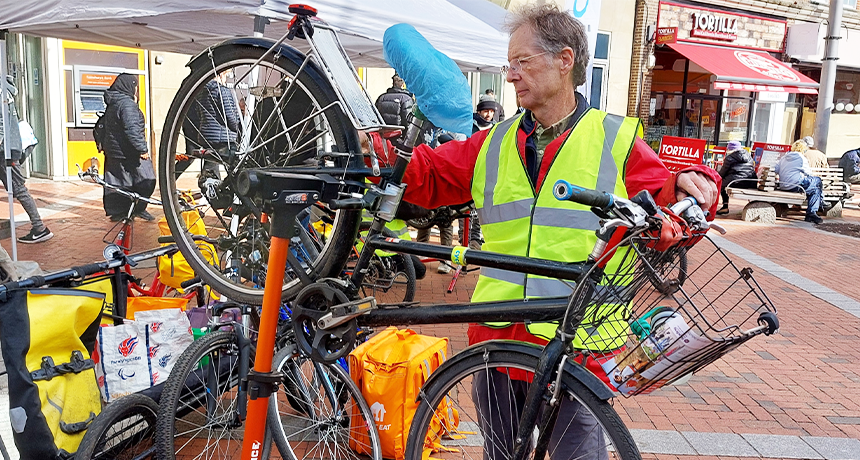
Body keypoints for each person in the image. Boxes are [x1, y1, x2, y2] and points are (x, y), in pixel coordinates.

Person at [364, 5, 718, 458]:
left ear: (564, 60)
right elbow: (431, 177)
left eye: (522, 62)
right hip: (498, 334)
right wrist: (373, 149)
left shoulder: (614, 139)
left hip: (575, 341)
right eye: (509, 64)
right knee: (503, 454)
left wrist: (697, 181)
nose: (511, 75)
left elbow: (673, 203)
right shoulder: (493, 142)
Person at [0, 76, 52, 243]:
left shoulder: (2, 90)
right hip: (6, 148)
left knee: (19, 189)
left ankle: (40, 228)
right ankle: (39, 228)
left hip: (6, 150)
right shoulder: (5, 88)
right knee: (18, 188)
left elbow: (3, 123)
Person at [100, 73, 156, 222]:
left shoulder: (114, 102)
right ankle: (137, 209)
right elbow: (132, 129)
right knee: (147, 179)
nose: (136, 89)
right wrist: (142, 149)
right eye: (135, 86)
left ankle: (121, 212)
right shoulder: (126, 104)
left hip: (113, 151)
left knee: (118, 183)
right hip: (128, 151)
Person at [775, 140, 824, 224]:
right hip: (796, 186)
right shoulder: (801, 158)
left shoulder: (784, 158)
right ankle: (814, 211)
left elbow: (776, 169)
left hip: (784, 186)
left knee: (816, 189)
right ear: (803, 150)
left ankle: (819, 205)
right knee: (817, 182)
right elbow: (809, 173)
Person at [717, 140, 758, 215]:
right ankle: (724, 207)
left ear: (729, 149)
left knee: (720, 184)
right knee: (725, 181)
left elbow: (722, 173)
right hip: (750, 181)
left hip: (735, 181)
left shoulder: (729, 158)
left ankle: (725, 206)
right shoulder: (748, 156)